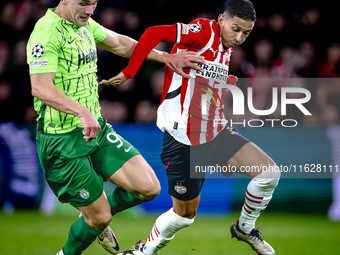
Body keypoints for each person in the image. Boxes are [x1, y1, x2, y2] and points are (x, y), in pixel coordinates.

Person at [100, 0, 281, 255]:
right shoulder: (203, 31)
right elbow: (154, 33)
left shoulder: (226, 46)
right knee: (184, 216)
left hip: (216, 131)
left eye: (246, 33)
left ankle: (244, 227)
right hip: (183, 138)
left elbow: (201, 74)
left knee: (269, 173)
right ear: (221, 20)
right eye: (236, 29)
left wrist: (226, 80)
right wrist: (130, 72)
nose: (239, 37)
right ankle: (145, 250)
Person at [26, 1, 205, 255]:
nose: (90, 10)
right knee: (100, 218)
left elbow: (121, 44)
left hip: (96, 130)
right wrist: (81, 111)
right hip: (61, 140)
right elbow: (40, 88)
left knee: (149, 188)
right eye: (84, 3)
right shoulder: (46, 32)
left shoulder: (84, 24)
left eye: (94, 3)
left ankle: (95, 219)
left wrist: (164, 57)